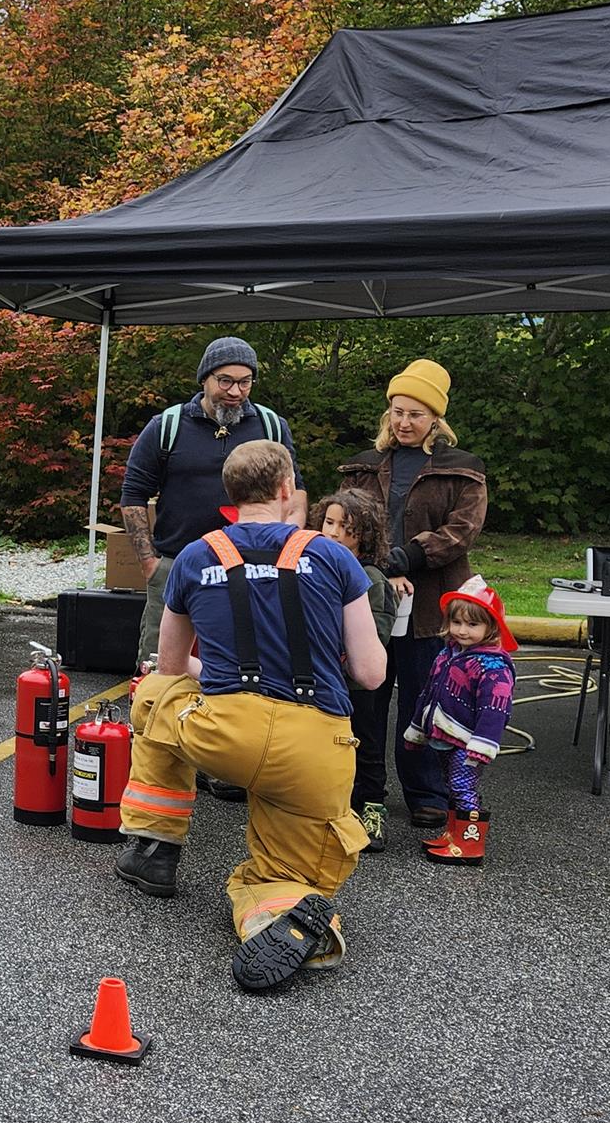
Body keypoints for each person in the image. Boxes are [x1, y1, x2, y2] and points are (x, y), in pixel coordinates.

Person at [113, 440, 385, 992]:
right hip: (314, 748)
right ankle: (282, 914)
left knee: (155, 693)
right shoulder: (335, 558)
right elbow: (371, 672)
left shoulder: (193, 557)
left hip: (222, 736)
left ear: (229, 497)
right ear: (288, 492)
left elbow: (169, 665)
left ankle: (155, 847)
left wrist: (221, 666)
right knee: (284, 872)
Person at [119, 335, 305, 800]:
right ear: (204, 379)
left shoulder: (269, 425)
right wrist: (149, 562)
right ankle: (157, 757)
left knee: (239, 663)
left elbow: (296, 491)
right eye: (226, 381)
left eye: (245, 382)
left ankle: (225, 760)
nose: (236, 391)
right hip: (178, 566)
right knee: (163, 667)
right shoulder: (166, 427)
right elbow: (133, 495)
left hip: (250, 573)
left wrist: (290, 546)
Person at [337, 359, 488, 832]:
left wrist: (405, 560)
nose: (404, 422)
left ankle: (426, 792)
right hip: (370, 597)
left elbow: (460, 533)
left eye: (416, 414)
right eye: (397, 411)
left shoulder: (464, 471)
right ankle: (364, 790)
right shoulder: (360, 467)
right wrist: (383, 568)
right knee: (366, 696)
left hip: (433, 605)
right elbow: (344, 523)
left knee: (426, 700)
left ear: (436, 420)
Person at [403, 577, 517, 864]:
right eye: (457, 623)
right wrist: (417, 730)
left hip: (468, 743)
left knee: (463, 787)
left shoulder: (493, 666)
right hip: (445, 738)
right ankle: (454, 835)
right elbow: (428, 693)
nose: (462, 631)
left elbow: (495, 709)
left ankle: (470, 845)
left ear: (491, 626)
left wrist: (483, 744)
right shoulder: (448, 654)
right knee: (452, 786)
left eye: (472, 625)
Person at [314, 488, 397, 850]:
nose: (332, 532)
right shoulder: (314, 568)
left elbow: (377, 633)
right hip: (323, 680)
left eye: (344, 526)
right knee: (325, 746)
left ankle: (373, 808)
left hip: (358, 684)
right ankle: (333, 810)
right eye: (328, 522)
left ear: (365, 534)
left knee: (367, 744)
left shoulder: (372, 579)